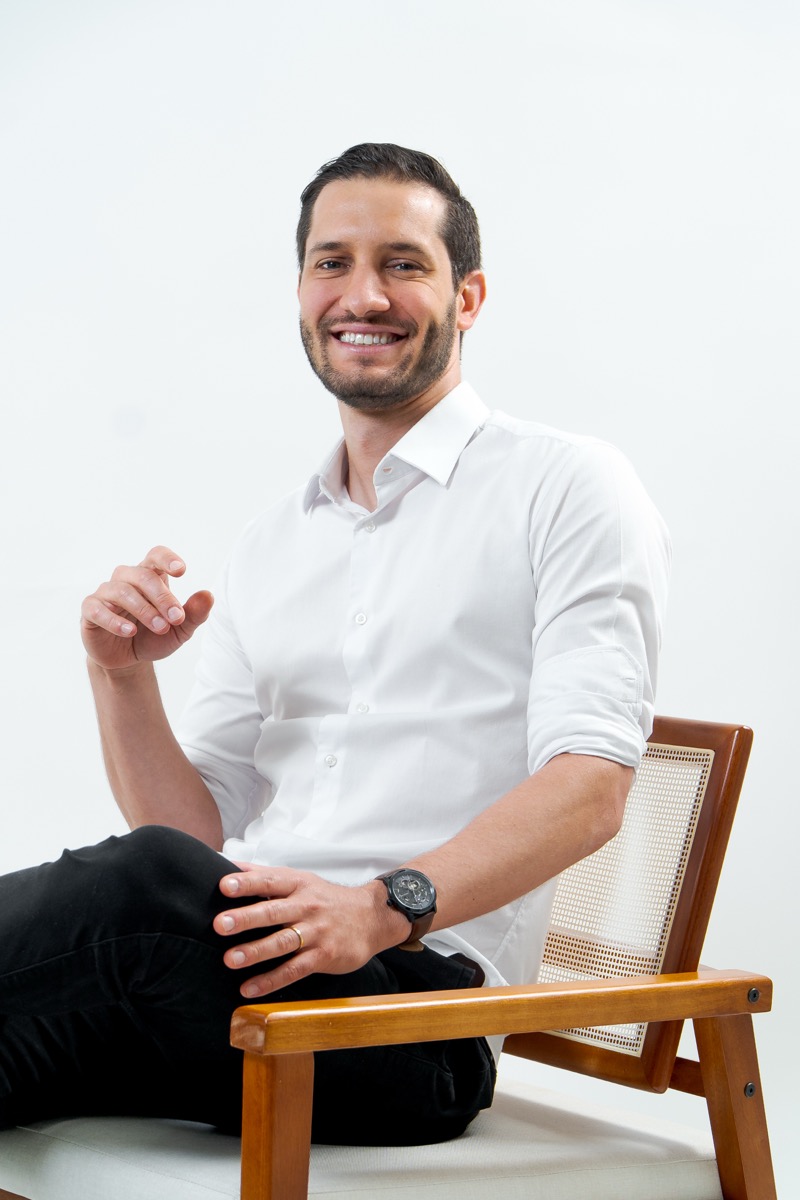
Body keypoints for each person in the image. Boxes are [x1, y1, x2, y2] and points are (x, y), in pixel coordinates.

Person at [0, 144, 670, 1147]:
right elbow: (194, 830)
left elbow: (590, 791)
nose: (363, 294)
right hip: (239, 975)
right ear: (302, 291)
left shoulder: (565, 486)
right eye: (332, 262)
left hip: (410, 1016)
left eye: (402, 263)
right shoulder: (275, 541)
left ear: (467, 297)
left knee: (140, 882)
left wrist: (382, 908)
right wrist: (119, 679)